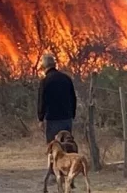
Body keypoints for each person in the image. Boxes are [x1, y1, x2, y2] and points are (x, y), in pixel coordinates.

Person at [37, 53, 77, 189]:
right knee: (67, 146)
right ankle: (69, 172)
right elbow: (73, 98)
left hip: (52, 119)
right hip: (66, 118)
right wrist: (72, 114)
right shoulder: (66, 79)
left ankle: (54, 174)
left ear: (44, 66)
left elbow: (42, 101)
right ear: (54, 65)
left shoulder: (45, 81)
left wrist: (40, 118)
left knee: (53, 148)